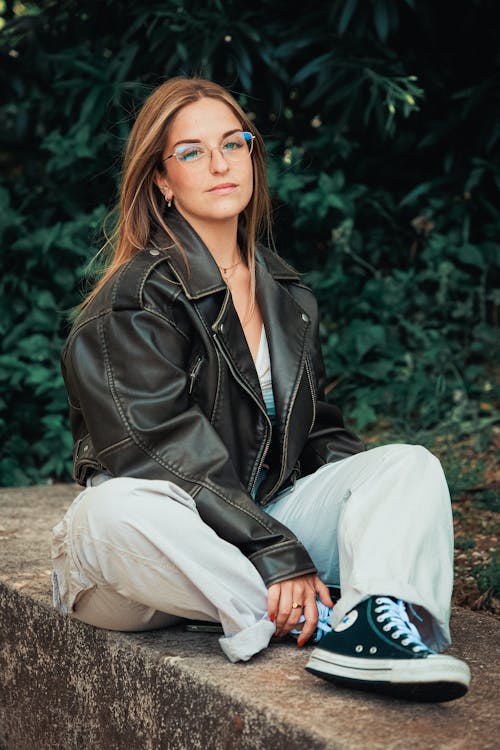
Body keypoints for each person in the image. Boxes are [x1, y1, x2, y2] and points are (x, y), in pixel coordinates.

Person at [51, 77, 470, 702]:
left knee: (407, 466)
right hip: (154, 557)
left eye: (233, 143)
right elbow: (159, 454)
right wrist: (281, 553)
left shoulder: (286, 292)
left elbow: (316, 431)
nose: (220, 164)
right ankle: (318, 613)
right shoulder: (132, 302)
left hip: (255, 523)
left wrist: (370, 514)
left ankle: (378, 623)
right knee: (109, 511)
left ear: (253, 154)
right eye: (191, 151)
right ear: (161, 181)